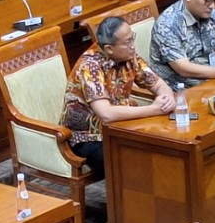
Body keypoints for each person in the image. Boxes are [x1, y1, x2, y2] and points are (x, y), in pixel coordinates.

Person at [61, 16, 175, 178]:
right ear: (109, 49)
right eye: (127, 42)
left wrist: (166, 98)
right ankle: (129, 202)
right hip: (90, 137)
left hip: (123, 127)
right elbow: (106, 114)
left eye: (132, 39)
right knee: (133, 163)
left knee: (167, 146)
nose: (133, 46)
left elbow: (157, 84)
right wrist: (154, 109)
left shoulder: (129, 57)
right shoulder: (90, 66)